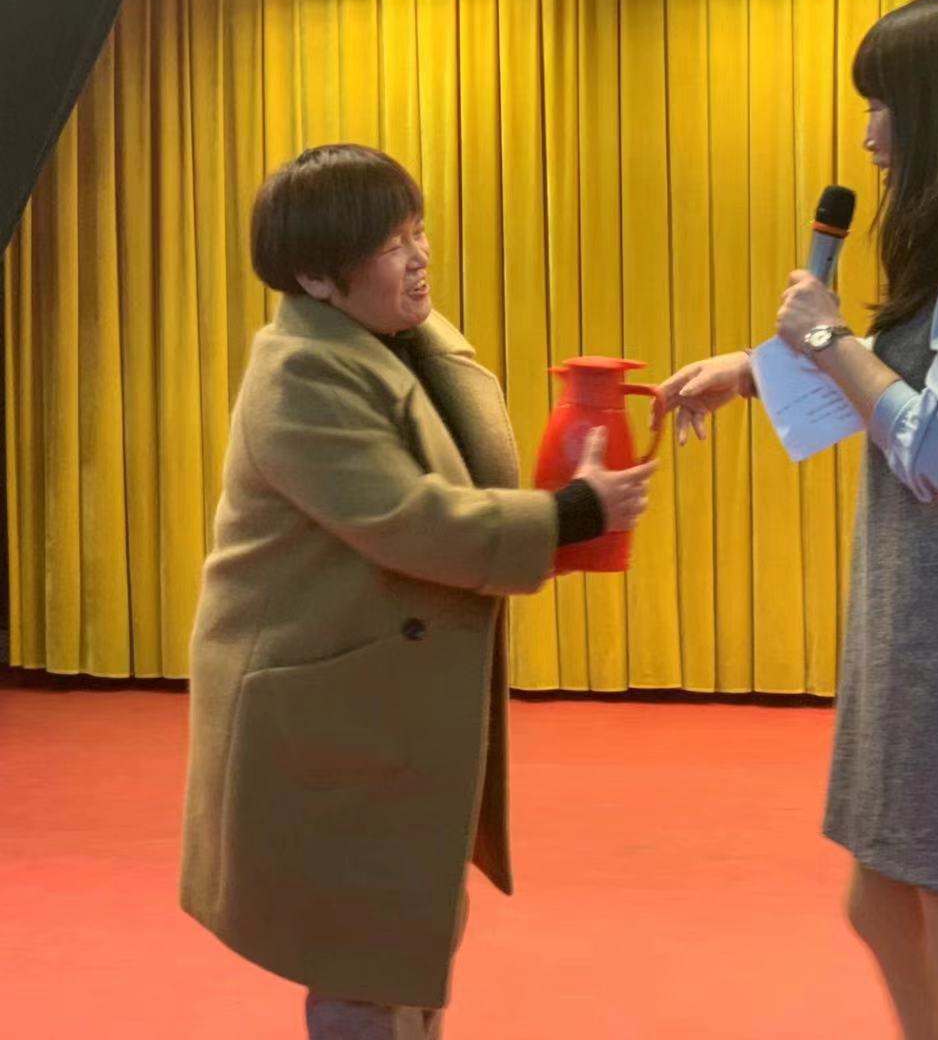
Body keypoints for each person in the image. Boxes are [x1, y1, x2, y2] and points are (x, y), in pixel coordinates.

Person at [655, 0, 938, 1040]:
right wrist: (757, 371)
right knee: (884, 907)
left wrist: (825, 339)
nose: (870, 138)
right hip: (929, 632)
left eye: (884, 106)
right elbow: (912, 380)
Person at [180, 143, 656, 1038]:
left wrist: (564, 509)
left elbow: (465, 484)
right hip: (326, 707)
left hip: (381, 700)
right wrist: (570, 515)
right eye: (391, 244)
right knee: (362, 956)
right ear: (315, 276)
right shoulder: (300, 373)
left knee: (405, 938)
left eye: (418, 230)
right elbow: (408, 519)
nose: (419, 255)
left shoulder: (403, 343)